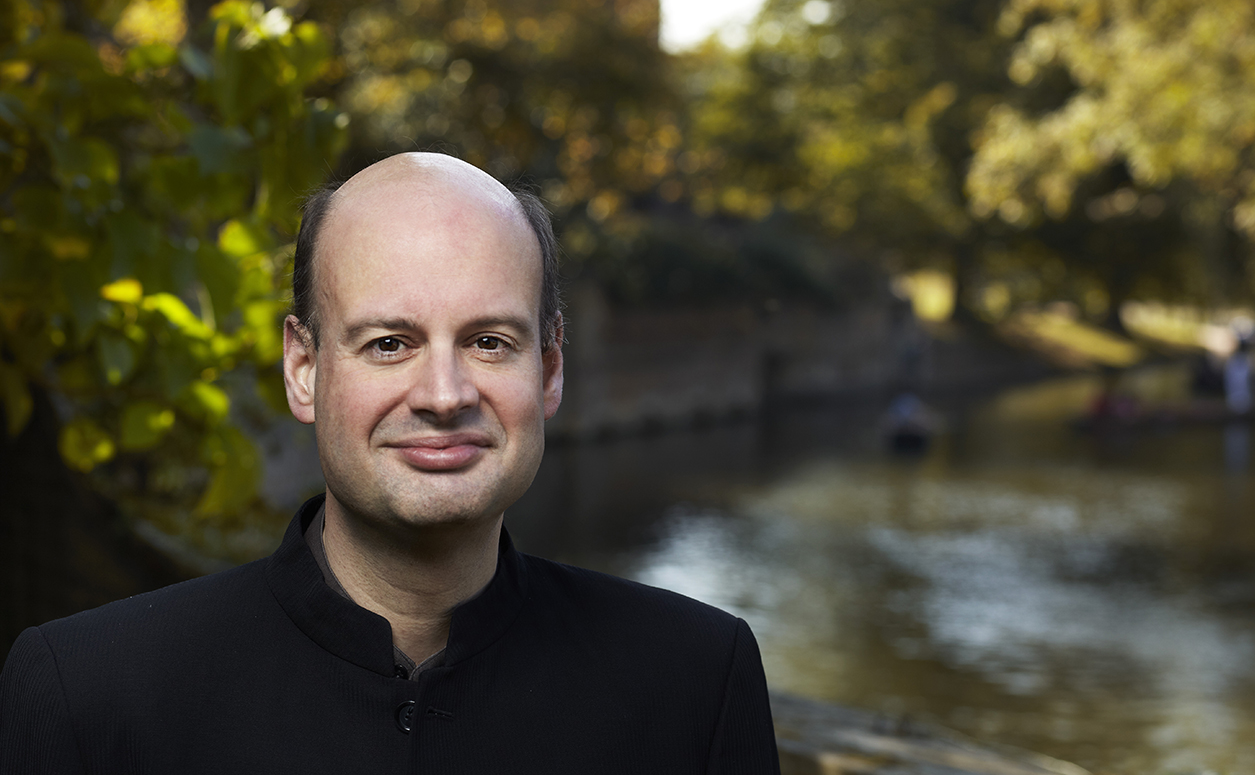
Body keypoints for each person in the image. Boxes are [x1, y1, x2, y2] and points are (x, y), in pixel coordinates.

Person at [0, 154, 781, 774]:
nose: (443, 394)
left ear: (548, 371)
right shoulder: (87, 694)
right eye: (389, 344)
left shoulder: (696, 681)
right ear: (303, 369)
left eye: (488, 342)